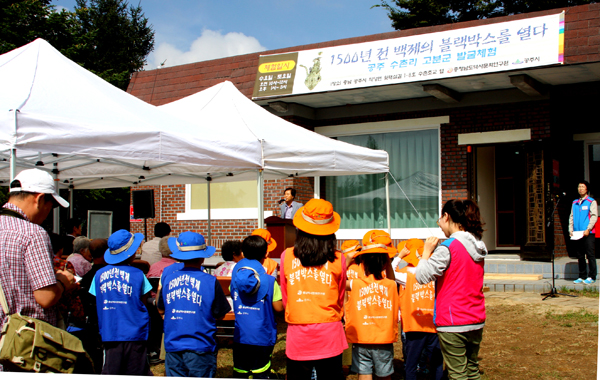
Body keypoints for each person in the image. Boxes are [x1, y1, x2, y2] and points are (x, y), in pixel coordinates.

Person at [415, 199, 487, 380]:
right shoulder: (478, 245)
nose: (439, 224)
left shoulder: (448, 247)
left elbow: (421, 276)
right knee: (472, 370)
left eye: (440, 218)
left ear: (447, 217)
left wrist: (426, 252)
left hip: (454, 321)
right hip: (475, 317)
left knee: (457, 374)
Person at [280, 198, 347, 380]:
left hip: (298, 330)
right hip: (330, 331)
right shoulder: (339, 258)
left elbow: (286, 296)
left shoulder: (286, 256)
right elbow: (339, 296)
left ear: (300, 228)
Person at [159, 231, 231, 378]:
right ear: (202, 258)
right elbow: (220, 312)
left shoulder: (168, 279)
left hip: (173, 344)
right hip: (200, 345)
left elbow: (161, 307)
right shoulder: (210, 281)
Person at [89, 229, 153, 375]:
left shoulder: (99, 275)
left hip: (110, 331)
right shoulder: (138, 274)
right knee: (137, 371)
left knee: (111, 371)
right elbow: (143, 301)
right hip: (135, 332)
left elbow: (96, 298)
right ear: (130, 254)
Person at [344, 230, 398, 380]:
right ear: (386, 263)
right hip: (383, 338)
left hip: (361, 337)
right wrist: (387, 261)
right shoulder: (391, 285)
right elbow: (392, 278)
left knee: (364, 372)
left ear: (363, 263)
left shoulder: (356, 284)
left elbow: (338, 280)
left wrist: (346, 260)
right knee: (384, 374)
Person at [230, 235, 284, 378]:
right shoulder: (271, 281)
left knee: (240, 371)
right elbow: (279, 308)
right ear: (266, 254)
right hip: (262, 336)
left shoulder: (235, 278)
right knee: (261, 372)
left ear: (243, 253)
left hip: (240, 335)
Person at [396, 239, 443, 380]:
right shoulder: (435, 273)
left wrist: (399, 257)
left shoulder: (406, 273)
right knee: (436, 362)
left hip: (414, 324)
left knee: (411, 363)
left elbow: (389, 272)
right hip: (433, 323)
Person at [570, 181, 597, 284]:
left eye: (582, 187)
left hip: (588, 233)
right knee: (580, 255)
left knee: (590, 254)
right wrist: (570, 229)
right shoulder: (574, 202)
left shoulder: (591, 201)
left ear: (586, 189)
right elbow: (571, 217)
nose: (580, 188)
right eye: (579, 187)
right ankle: (582, 276)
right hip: (577, 233)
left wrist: (588, 229)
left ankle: (592, 276)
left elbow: (594, 216)